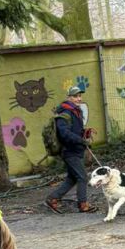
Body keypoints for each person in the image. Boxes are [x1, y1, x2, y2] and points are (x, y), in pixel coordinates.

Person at [46, 85, 93, 213]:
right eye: (75, 96)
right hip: (69, 151)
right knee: (82, 177)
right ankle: (83, 205)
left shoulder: (75, 111)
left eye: (80, 96)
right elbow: (64, 134)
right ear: (69, 97)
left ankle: (53, 198)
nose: (79, 99)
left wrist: (85, 133)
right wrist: (80, 140)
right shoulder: (65, 113)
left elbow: (75, 130)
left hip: (76, 150)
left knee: (72, 178)